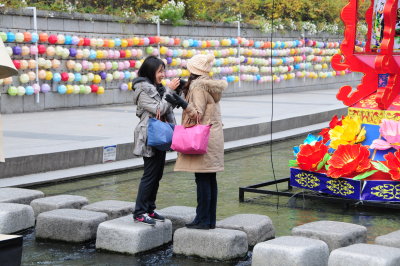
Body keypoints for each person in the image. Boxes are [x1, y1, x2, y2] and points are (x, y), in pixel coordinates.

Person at [165, 54, 228, 229]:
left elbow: (197, 114)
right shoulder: (209, 84)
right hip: (213, 136)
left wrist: (182, 103)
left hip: (203, 139)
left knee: (202, 179)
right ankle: (210, 220)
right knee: (209, 179)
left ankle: (201, 220)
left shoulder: (198, 87)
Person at [132, 56, 180, 225]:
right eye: (160, 71)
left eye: (163, 71)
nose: (163, 74)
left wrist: (176, 93)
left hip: (159, 134)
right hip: (149, 135)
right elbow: (158, 109)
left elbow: (166, 109)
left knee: (157, 174)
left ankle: (150, 209)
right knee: (150, 174)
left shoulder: (157, 88)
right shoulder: (142, 90)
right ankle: (139, 212)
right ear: (150, 71)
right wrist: (170, 91)